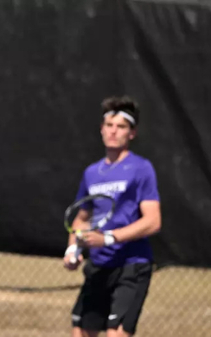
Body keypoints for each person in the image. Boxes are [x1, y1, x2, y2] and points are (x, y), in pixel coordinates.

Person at [63, 96, 161, 337]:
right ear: (101, 129)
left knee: (115, 334)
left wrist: (109, 238)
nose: (113, 131)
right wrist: (72, 250)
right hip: (98, 266)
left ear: (132, 133)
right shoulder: (91, 173)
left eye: (121, 126)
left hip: (132, 266)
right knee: (82, 331)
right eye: (109, 125)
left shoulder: (141, 168)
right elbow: (82, 219)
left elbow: (152, 221)